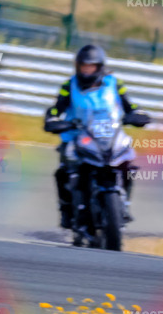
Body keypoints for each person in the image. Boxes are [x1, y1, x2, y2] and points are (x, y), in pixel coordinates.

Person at [43, 44, 150, 228]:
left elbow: (129, 106)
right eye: (83, 66)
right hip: (78, 136)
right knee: (63, 171)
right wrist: (54, 120)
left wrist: (136, 115)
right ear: (77, 66)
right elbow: (56, 109)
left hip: (109, 133)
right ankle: (66, 210)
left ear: (99, 67)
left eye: (90, 67)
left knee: (128, 163)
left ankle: (123, 205)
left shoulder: (114, 83)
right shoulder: (69, 86)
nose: (86, 71)